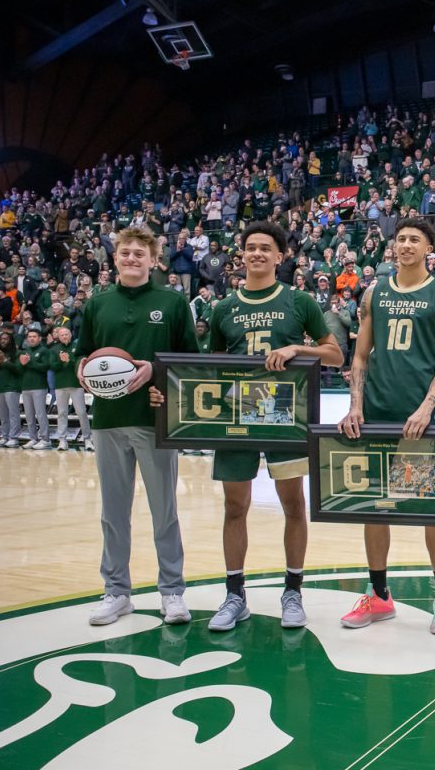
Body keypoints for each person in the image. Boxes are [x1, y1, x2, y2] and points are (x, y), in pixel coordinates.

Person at [162, 221, 344, 632]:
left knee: (294, 504)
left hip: (285, 416)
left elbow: (335, 354)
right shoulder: (223, 308)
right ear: (240, 255)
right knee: (234, 507)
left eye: (266, 248)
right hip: (237, 417)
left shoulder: (299, 302)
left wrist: (298, 348)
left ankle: (293, 591)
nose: (257, 253)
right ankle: (234, 595)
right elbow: (213, 371)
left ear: (280, 257)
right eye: (250, 247)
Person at [340, 218, 435, 634]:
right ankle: (379, 596)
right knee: (375, 507)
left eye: (414, 239)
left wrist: (428, 407)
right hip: (375, 414)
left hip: (419, 421)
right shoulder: (375, 292)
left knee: (432, 511)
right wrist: (355, 405)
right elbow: (359, 357)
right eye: (401, 239)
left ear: (430, 248)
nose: (406, 244)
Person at [74, 225, 199, 627]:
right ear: (114, 258)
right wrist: (82, 369)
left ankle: (172, 592)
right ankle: (116, 591)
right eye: (125, 253)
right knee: (113, 512)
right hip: (108, 421)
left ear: (153, 260)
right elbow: (82, 354)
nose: (131, 259)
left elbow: (189, 363)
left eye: (139, 254)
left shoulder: (173, 302)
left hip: (155, 421)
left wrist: (155, 370)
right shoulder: (96, 305)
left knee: (164, 510)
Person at [51, 327, 92, 451]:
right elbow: (52, 366)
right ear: (58, 336)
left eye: (66, 334)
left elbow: (81, 363)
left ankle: (87, 439)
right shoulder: (54, 349)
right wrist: (63, 362)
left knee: (82, 412)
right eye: (62, 334)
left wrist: (69, 360)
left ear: (70, 335)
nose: (64, 336)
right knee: (62, 413)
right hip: (60, 385)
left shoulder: (77, 347)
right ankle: (62, 440)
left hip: (76, 385)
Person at [18, 329, 52, 449]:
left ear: (39, 338)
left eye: (34, 336)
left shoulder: (44, 350)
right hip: (25, 386)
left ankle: (45, 439)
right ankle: (33, 438)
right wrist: (22, 365)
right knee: (29, 415)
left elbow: (45, 367)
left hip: (39, 386)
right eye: (30, 336)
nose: (31, 338)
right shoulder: (25, 351)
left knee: (40, 414)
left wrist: (29, 362)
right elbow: (20, 370)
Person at [0, 332, 24, 447]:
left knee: (13, 414)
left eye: (6, 339)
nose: (3, 341)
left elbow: (18, 370)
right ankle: (5, 436)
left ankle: (14, 438)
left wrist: (5, 361)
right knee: (3, 415)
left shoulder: (18, 353)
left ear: (11, 340)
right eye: (1, 339)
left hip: (12, 387)